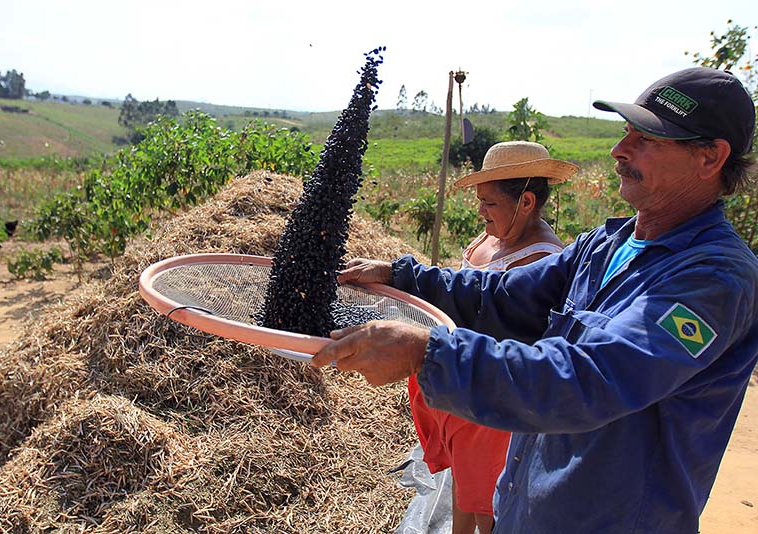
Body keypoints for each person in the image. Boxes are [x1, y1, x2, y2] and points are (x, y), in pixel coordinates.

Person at [312, 67, 758, 533]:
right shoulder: (605, 245)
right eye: (627, 132)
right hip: (528, 509)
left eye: (647, 139)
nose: (619, 151)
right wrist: (402, 275)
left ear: (711, 157)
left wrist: (429, 353)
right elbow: (503, 296)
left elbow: (589, 378)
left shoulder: (714, 280)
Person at [399, 141, 577, 534]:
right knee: (464, 485)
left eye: (490, 203)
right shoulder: (490, 239)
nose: (480, 211)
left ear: (526, 202)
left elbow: (513, 334)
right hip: (462, 380)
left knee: (489, 503)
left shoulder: (541, 260)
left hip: (493, 398)